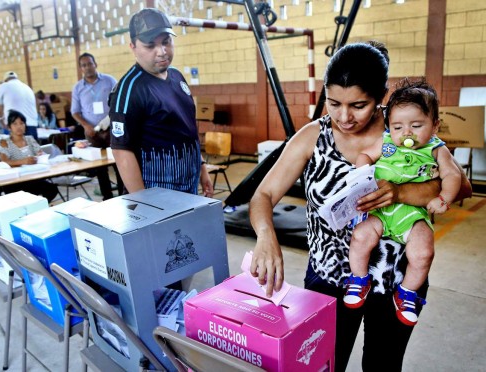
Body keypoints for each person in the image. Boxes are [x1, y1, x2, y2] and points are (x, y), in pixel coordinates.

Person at [248, 42, 471, 372]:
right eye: (334, 102)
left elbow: (462, 187)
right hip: (329, 278)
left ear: (381, 96)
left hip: (395, 280)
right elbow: (262, 196)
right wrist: (266, 236)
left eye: (358, 105)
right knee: (323, 362)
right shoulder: (314, 136)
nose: (344, 116)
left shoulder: (404, 127)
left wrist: (400, 192)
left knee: (383, 364)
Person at [344, 79, 462, 326]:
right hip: (382, 213)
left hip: (413, 216)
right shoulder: (387, 142)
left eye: (416, 125)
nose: (406, 133)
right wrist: (362, 173)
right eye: (397, 127)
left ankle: (407, 292)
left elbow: (453, 176)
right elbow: (365, 155)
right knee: (359, 236)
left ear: (435, 125)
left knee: (423, 252)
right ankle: (358, 279)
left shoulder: (437, 149)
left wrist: (444, 198)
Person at [109, 8, 213, 196]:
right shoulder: (129, 89)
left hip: (188, 187)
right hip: (156, 195)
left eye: (166, 42)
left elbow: (187, 130)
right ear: (133, 46)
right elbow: (121, 151)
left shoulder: (177, 76)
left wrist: (202, 167)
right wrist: (144, 203)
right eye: (150, 46)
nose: (162, 52)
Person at [71, 52, 118, 200]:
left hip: (111, 128)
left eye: (90, 63)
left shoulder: (109, 81)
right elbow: (75, 111)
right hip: (91, 132)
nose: (88, 67)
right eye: (84, 65)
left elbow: (119, 101)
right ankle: (107, 196)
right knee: (99, 166)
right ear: (80, 68)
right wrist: (86, 126)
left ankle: (125, 193)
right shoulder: (78, 88)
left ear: (95, 64)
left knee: (119, 161)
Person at [0, 110, 57, 203]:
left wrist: (41, 156)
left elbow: (40, 153)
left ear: (25, 125)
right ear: (9, 127)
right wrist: (23, 161)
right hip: (15, 181)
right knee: (26, 195)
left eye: (21, 123)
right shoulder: (4, 142)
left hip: (33, 177)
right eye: (15, 124)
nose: (19, 127)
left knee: (52, 190)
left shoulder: (30, 139)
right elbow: (4, 162)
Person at [0, 71, 39, 139]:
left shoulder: (3, 86)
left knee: (16, 149)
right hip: (33, 126)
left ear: (5, 80)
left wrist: (3, 123)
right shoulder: (27, 87)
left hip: (16, 127)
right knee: (33, 149)